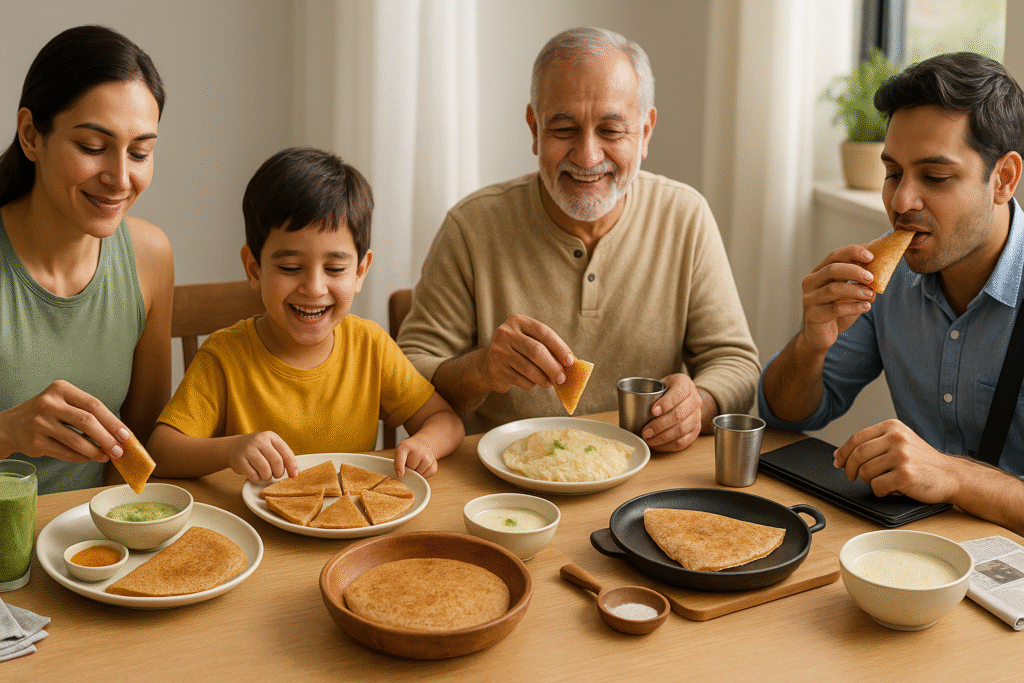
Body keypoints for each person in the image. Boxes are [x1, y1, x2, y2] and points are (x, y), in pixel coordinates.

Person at [397, 27, 759, 450]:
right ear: (534, 128)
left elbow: (735, 363)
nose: (588, 157)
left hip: (645, 474)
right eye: (565, 129)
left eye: (611, 131)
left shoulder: (685, 217)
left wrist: (698, 403)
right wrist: (482, 370)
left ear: (645, 132)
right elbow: (406, 376)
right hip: (500, 478)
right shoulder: (472, 226)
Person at [759, 52, 1024, 533]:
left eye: (935, 177)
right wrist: (810, 345)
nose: (901, 201)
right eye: (893, 173)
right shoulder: (888, 278)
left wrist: (954, 476)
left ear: (1003, 179)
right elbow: (786, 416)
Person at [147, 147, 463, 482]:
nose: (314, 288)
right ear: (254, 269)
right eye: (290, 267)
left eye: (335, 268)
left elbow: (445, 420)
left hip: (351, 511)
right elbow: (160, 452)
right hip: (251, 515)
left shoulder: (369, 346)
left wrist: (425, 444)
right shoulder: (224, 357)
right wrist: (231, 449)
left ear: (360, 271)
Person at [0, 26, 173, 494]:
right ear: (31, 136)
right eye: (93, 148)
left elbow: (140, 441)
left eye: (140, 152)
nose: (120, 178)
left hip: (93, 532)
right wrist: (7, 431)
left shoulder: (150, 256)